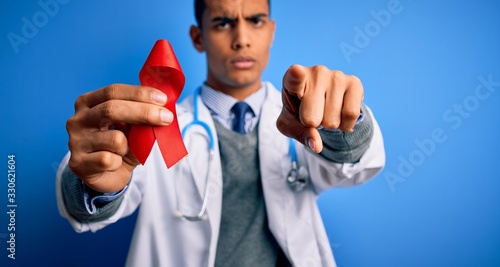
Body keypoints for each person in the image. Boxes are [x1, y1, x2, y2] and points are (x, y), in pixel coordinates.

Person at [55, 0, 385, 266]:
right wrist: (88, 179)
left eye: (255, 20)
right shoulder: (157, 126)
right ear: (198, 38)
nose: (242, 38)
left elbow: (351, 165)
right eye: (223, 23)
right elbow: (88, 203)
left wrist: (342, 120)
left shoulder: (302, 116)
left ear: (271, 32)